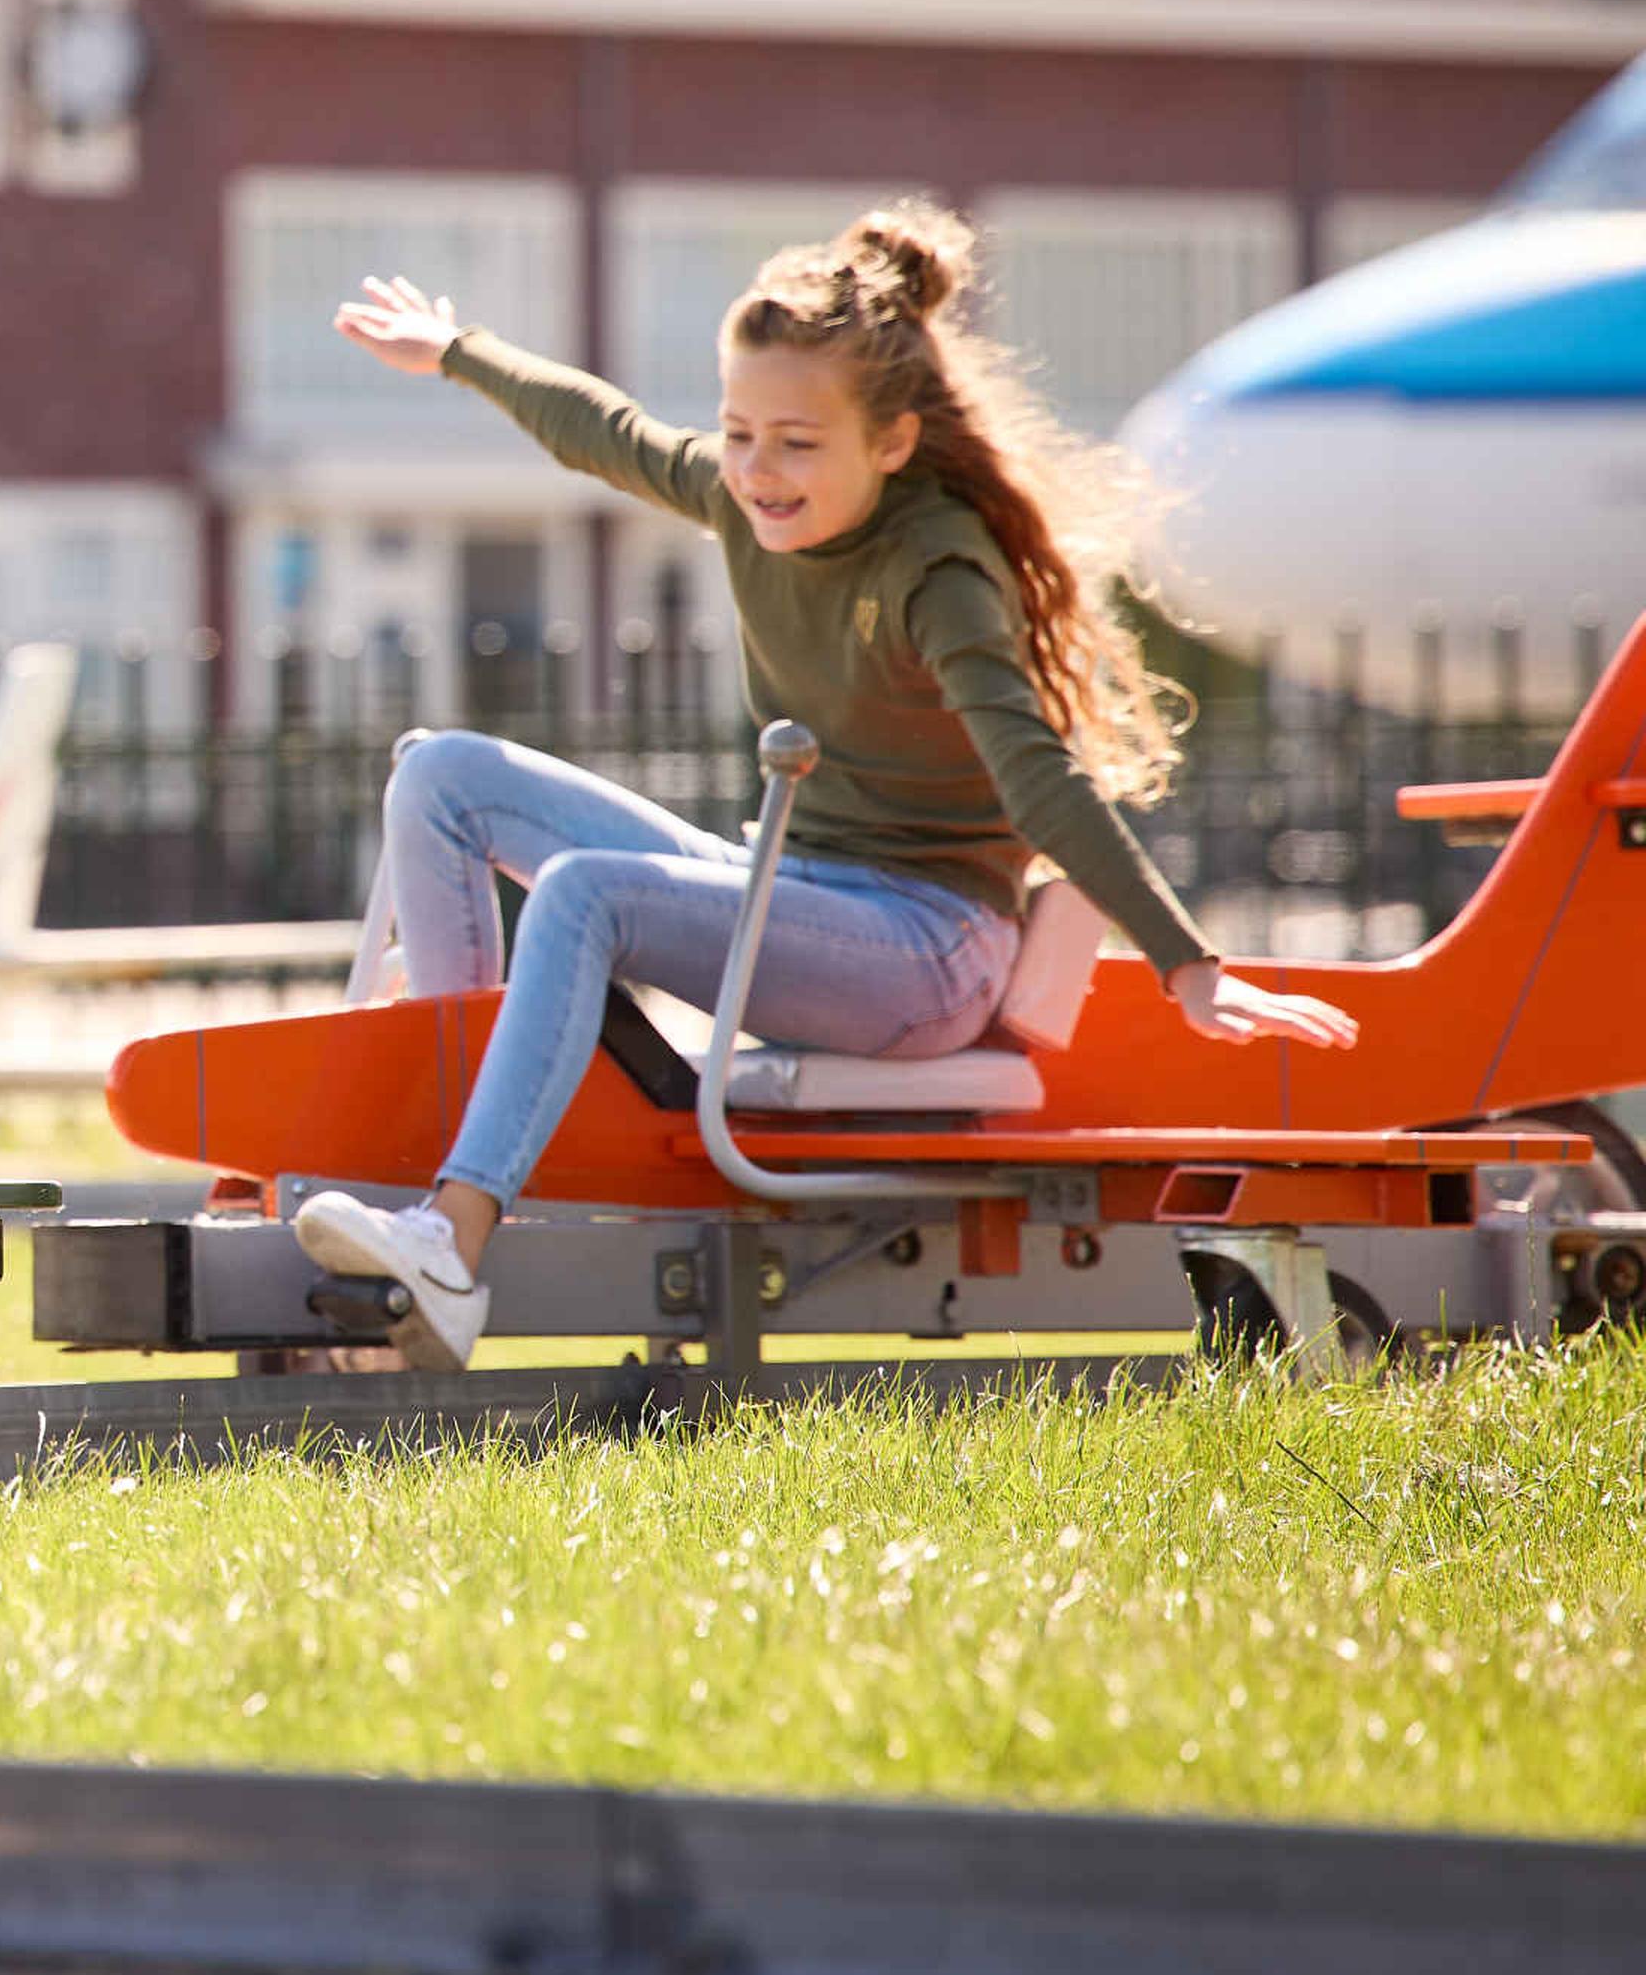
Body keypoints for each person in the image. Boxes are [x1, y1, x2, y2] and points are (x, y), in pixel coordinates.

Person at [295, 203, 1358, 1370]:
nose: (758, 472)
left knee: (588, 893)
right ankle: (445, 1163)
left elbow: (1039, 777)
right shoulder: (738, 497)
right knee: (443, 773)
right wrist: (455, 351)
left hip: (922, 952)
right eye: (740, 433)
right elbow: (603, 428)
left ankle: (452, 1242)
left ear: (893, 442)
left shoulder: (938, 566)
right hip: (793, 890)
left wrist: (1187, 965)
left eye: (799, 443)